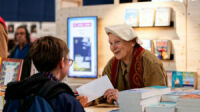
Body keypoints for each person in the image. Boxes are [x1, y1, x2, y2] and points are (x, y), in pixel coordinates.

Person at [4, 36, 85, 112]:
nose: (69, 63)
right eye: (69, 60)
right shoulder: (66, 100)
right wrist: (77, 105)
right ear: (62, 63)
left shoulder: (14, 92)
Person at [101, 24, 168, 104]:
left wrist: (123, 97)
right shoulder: (112, 64)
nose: (113, 48)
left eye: (117, 42)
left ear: (132, 42)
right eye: (111, 43)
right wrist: (90, 100)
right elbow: (101, 92)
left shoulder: (150, 62)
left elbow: (157, 97)